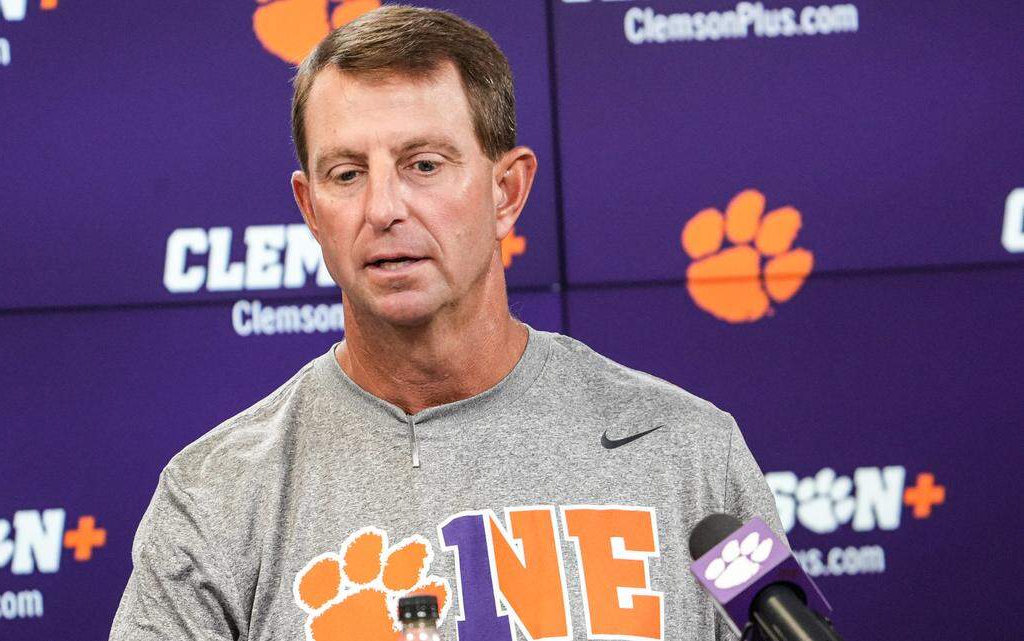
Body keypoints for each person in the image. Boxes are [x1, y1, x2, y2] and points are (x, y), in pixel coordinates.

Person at [109, 6, 784, 641]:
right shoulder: (215, 493)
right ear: (311, 210)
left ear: (506, 191)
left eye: (423, 165)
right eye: (346, 174)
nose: (383, 208)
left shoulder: (694, 455)